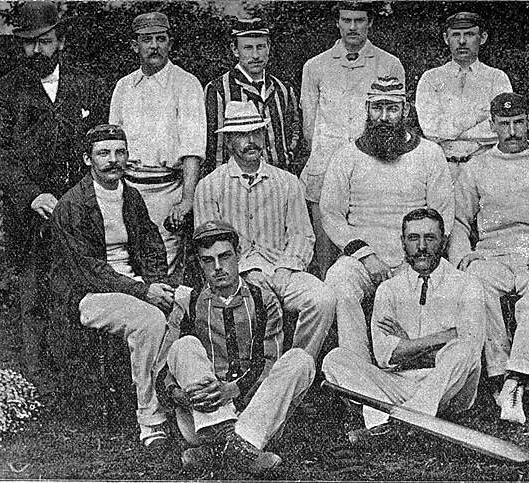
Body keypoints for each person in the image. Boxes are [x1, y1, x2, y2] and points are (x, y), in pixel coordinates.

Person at [0, 1, 107, 375]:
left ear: (62, 41)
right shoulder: (4, 91)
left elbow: (102, 145)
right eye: (28, 43)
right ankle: (41, 387)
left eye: (46, 41)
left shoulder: (88, 86)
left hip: (80, 212)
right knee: (34, 298)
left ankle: (84, 383)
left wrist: (82, 200)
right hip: (30, 217)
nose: (37, 51)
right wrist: (32, 195)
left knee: (83, 294)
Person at [49, 124, 178, 448]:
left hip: (134, 287)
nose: (113, 160)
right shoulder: (73, 205)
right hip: (90, 295)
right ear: (87, 159)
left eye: (120, 152)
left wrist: (157, 284)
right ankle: (151, 421)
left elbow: (151, 247)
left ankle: (197, 408)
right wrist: (143, 292)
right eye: (103, 153)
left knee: (188, 304)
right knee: (149, 320)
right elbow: (88, 269)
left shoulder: (130, 196)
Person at [450, 93, 529, 424]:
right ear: (492, 125)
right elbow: (460, 222)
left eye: (519, 122)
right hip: (493, 253)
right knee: (475, 285)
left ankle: (516, 379)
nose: (513, 131)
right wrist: (462, 258)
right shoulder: (477, 166)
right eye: (504, 124)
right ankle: (497, 372)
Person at [158, 220, 314, 475]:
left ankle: (220, 449)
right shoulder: (189, 302)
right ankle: (232, 443)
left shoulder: (263, 299)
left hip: (255, 415)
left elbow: (269, 362)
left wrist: (233, 390)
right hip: (202, 416)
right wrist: (178, 394)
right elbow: (164, 367)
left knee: (300, 359)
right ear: (200, 264)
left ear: (238, 255)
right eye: (208, 260)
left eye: (225, 257)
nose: (218, 267)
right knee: (184, 345)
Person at [320, 76, 454, 360]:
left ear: (405, 110)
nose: (383, 117)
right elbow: (331, 215)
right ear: (366, 109)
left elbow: (443, 215)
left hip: (415, 257)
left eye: (392, 109)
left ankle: (414, 367)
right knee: (339, 280)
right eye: (377, 109)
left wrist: (415, 257)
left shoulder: (430, 155)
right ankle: (356, 368)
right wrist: (365, 255)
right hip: (363, 259)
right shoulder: (346, 156)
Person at [323, 208, 485, 441]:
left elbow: (470, 346)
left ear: (444, 241)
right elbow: (384, 357)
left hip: (448, 388)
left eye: (430, 238)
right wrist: (442, 338)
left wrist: (408, 346)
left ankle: (391, 425)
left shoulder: (467, 285)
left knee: (463, 350)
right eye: (413, 238)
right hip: (398, 384)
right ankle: (400, 424)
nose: (421, 247)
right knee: (336, 359)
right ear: (402, 242)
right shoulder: (389, 289)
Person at [194, 101, 336, 361]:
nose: (251, 141)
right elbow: (209, 244)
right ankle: (254, 378)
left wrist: (285, 269)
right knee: (247, 303)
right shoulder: (209, 185)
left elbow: (302, 235)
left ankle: (296, 368)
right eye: (241, 135)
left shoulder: (287, 182)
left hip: (283, 271)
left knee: (322, 299)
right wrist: (247, 271)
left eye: (256, 133)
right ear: (228, 142)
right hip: (235, 275)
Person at [300, 1, 406, 277]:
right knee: (324, 255)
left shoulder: (389, 63)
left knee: (373, 250)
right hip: (324, 169)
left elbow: (395, 119)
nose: (352, 27)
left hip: (372, 168)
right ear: (337, 22)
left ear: (370, 22)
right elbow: (309, 125)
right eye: (346, 20)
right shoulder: (315, 66)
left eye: (359, 20)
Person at [109, 12, 206, 273]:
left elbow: (193, 150)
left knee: (162, 266)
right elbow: (113, 146)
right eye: (146, 40)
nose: (154, 46)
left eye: (160, 39)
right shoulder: (124, 87)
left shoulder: (186, 84)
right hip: (128, 188)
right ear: (134, 45)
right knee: (124, 261)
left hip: (167, 190)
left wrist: (186, 201)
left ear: (170, 43)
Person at [416, 11, 513, 182]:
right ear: (446, 38)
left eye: (469, 34)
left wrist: (451, 130)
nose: (462, 41)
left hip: (485, 168)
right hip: (442, 169)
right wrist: (479, 116)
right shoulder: (431, 78)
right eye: (456, 35)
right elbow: (431, 130)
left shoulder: (497, 78)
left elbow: (501, 128)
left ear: (482, 38)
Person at [204, 18, 301, 175]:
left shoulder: (282, 88)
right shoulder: (218, 90)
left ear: (269, 47)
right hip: (236, 185)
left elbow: (294, 132)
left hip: (279, 182)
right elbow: (215, 146)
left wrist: (287, 159)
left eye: (260, 47)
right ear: (235, 50)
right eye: (248, 48)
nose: (255, 55)